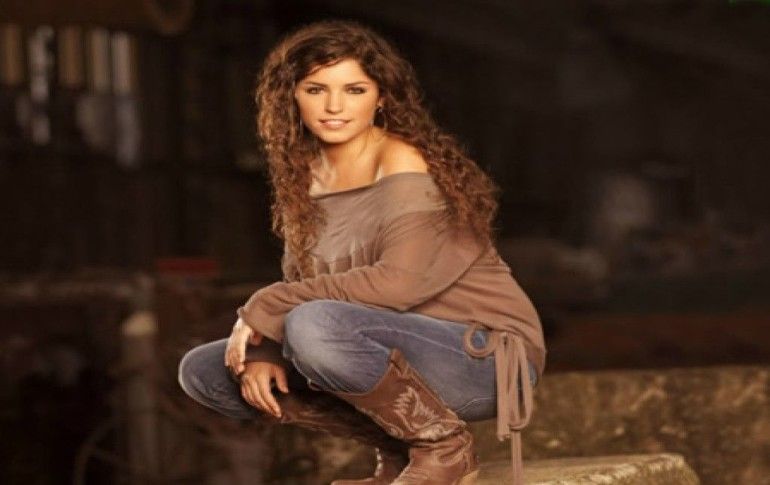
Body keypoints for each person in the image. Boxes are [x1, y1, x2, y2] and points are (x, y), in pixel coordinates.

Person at [179, 20, 546, 485]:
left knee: (313, 325)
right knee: (207, 371)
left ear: (382, 97)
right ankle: (398, 447)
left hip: (482, 359)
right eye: (316, 89)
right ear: (291, 97)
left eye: (354, 90)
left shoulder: (403, 162)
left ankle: (443, 447)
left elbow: (397, 286)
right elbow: (306, 286)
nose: (334, 106)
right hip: (374, 345)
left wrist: (265, 307)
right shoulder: (304, 176)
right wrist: (265, 345)